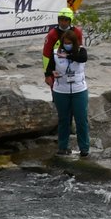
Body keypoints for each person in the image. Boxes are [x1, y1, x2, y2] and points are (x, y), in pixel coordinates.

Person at [47, 28, 90, 159]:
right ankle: (62, 147)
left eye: (69, 42)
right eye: (65, 42)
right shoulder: (55, 53)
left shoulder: (81, 51)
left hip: (79, 90)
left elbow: (83, 59)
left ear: (74, 42)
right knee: (64, 120)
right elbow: (48, 69)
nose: (67, 44)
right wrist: (50, 74)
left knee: (81, 120)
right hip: (61, 91)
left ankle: (84, 148)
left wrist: (68, 56)